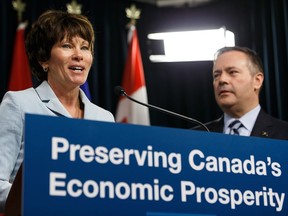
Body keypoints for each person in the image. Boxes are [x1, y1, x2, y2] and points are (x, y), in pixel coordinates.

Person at [0, 10, 115, 211]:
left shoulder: (104, 118)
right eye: (67, 46)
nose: (79, 55)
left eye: (85, 47)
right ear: (44, 59)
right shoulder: (19, 104)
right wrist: (44, 200)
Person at [199, 46, 288, 139]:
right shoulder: (195, 137)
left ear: (257, 81)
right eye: (216, 75)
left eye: (232, 72)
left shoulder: (284, 134)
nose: (222, 80)